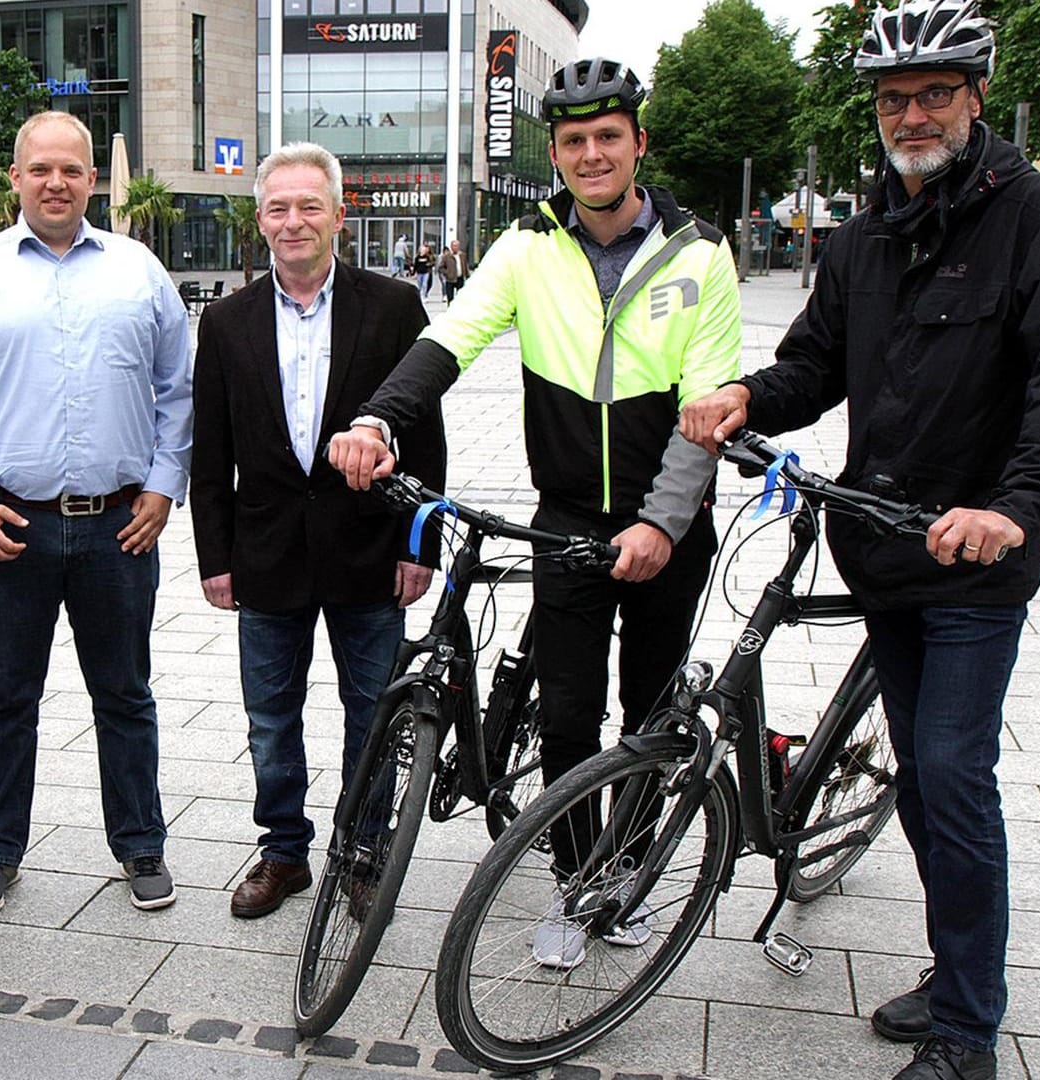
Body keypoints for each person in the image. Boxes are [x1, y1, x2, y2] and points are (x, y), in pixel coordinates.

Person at [680, 5, 1040, 1078]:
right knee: (921, 779)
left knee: (952, 776)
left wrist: (1017, 506)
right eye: (891, 99)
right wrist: (746, 395)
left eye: (932, 94)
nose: (910, 115)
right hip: (881, 548)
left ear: (975, 95)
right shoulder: (867, 233)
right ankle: (953, 968)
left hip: (975, 562)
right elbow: (815, 362)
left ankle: (970, 1027)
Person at [327, 57, 742, 969]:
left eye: (607, 137)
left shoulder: (703, 252)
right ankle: (572, 879)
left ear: (638, 143)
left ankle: (625, 875)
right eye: (573, 143)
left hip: (666, 522)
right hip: (566, 519)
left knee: (648, 711)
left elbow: (708, 408)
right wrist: (375, 415)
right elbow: (452, 337)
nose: (591, 155)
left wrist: (662, 524)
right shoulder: (526, 244)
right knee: (567, 714)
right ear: (554, 154)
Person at [0, 110, 192, 918]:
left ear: (92, 180)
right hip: (10, 527)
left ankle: (141, 844)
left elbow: (179, 389)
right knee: (6, 696)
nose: (57, 182)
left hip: (119, 525)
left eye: (72, 169)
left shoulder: (140, 271)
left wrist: (164, 484)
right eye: (40, 169)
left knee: (126, 695)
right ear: (15, 178)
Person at [190, 143, 446, 919]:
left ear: (340, 213)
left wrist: (419, 545)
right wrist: (214, 557)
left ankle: (362, 853)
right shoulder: (228, 321)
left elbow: (426, 437)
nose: (293, 221)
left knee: (373, 713)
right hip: (265, 555)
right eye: (278, 207)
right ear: (260, 219)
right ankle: (284, 852)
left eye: (309, 206)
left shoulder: (394, 307)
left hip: (370, 550)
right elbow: (212, 452)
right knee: (271, 717)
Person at [438, 240, 465, 304]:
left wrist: (466, 274)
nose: (456, 247)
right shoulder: (447, 256)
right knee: (450, 297)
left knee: (460, 297)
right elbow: (441, 267)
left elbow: (465, 265)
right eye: (454, 246)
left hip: (460, 278)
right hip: (450, 279)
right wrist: (447, 272)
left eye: (457, 246)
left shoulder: (462, 255)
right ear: (451, 247)